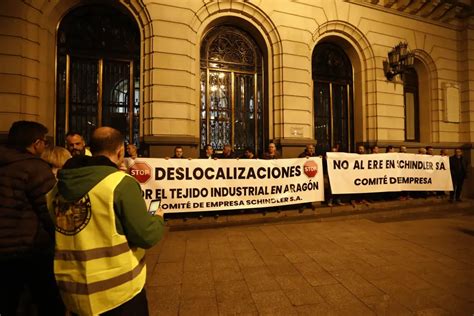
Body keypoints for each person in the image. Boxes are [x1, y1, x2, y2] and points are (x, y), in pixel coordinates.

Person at [49, 126, 165, 315]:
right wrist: (158, 219)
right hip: (118, 291)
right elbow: (145, 235)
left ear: (90, 148)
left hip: (74, 291)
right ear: (120, 150)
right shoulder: (120, 183)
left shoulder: (59, 186)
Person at [0, 121, 64, 316]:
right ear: (36, 143)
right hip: (29, 248)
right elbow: (49, 210)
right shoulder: (35, 168)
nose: (45, 146)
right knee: (48, 301)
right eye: (44, 142)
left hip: (5, 249)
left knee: (7, 301)